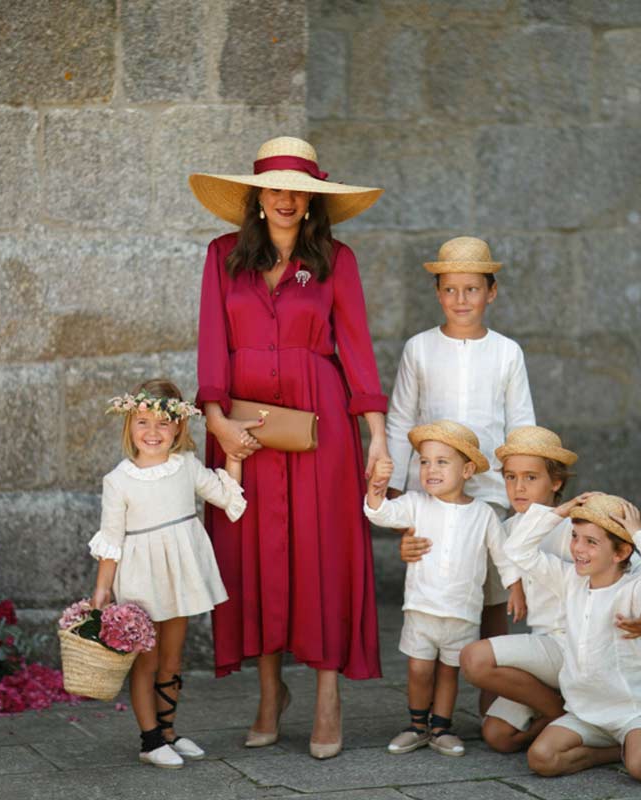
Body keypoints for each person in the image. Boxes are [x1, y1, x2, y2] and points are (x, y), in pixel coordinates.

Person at [190, 136, 387, 759]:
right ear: (257, 197)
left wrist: (378, 437)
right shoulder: (223, 256)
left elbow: (356, 348)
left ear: (311, 201)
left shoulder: (337, 260)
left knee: (322, 551)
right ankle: (270, 695)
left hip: (322, 424)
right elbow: (211, 344)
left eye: (296, 189)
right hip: (242, 432)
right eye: (274, 187)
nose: (284, 198)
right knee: (253, 554)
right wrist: (217, 424)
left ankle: (328, 694)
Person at [384, 236, 534, 712]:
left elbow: (521, 424)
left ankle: (495, 701)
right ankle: (429, 711)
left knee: (490, 597)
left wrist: (524, 491)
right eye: (450, 290)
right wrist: (398, 494)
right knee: (439, 587)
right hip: (430, 495)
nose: (461, 300)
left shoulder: (507, 353)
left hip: (490, 493)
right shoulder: (420, 349)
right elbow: (401, 420)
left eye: (472, 289)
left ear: (492, 292)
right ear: (438, 293)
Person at [458, 426, 641, 754]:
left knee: (475, 659)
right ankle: (607, 741)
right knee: (498, 735)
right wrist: (413, 544)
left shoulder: (580, 526)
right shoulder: (509, 529)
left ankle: (571, 716)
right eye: (511, 477)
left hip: (580, 645)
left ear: (556, 482)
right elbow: (501, 551)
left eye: (531, 477)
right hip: (544, 652)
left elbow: (638, 569)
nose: (518, 487)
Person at [505, 493, 641, 782]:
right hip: (584, 712)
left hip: (632, 712)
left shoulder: (634, 590)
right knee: (541, 759)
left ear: (621, 553)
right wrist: (559, 513)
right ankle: (617, 751)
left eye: (591, 541)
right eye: (575, 536)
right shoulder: (569, 580)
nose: (577, 548)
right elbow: (517, 550)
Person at [87, 379, 254, 768]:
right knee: (146, 660)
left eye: (163, 423)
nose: (152, 432)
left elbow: (226, 497)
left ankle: (167, 731)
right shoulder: (119, 480)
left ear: (179, 427)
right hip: (141, 580)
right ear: (129, 425)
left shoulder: (186, 467)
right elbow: (111, 540)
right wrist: (102, 589)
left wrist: (234, 453)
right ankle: (148, 741)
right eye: (143, 422)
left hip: (178, 576)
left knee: (172, 659)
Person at [365, 420, 526, 757]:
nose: (430, 469)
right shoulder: (415, 503)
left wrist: (515, 588)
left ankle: (442, 727)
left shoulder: (483, 515)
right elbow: (382, 514)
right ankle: (417, 725)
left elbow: (503, 556)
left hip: (462, 612)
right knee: (419, 668)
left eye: (442, 461)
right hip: (421, 608)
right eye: (424, 461)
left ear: (467, 469)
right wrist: (376, 490)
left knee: (449, 672)